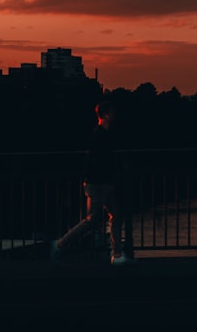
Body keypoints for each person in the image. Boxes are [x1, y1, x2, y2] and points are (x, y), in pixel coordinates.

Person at [50, 98, 135, 266]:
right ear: (105, 115)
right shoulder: (100, 136)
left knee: (114, 216)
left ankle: (116, 254)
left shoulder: (102, 134)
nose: (114, 115)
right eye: (111, 112)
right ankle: (60, 244)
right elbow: (99, 162)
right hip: (98, 183)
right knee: (94, 219)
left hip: (102, 183)